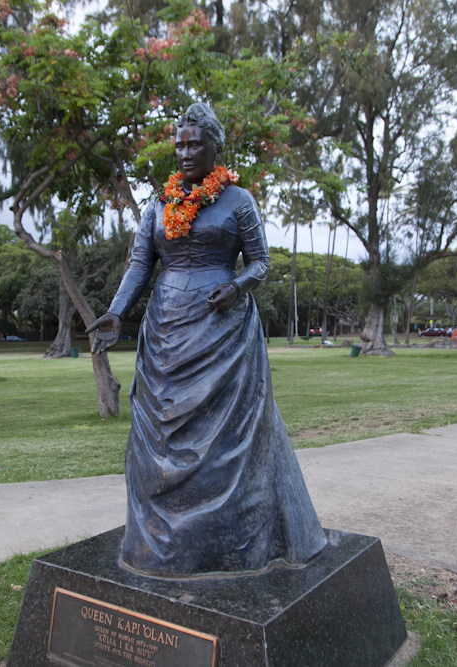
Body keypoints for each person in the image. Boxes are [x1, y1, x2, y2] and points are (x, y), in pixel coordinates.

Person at [86, 103, 326, 577]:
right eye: (180, 143)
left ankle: (229, 546)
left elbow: (261, 262)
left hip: (224, 331)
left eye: (195, 143)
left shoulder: (238, 200)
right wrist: (116, 311)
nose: (185, 151)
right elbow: (140, 264)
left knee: (226, 441)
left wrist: (238, 286)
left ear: (215, 147)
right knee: (158, 435)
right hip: (165, 328)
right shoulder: (159, 203)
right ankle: (159, 546)